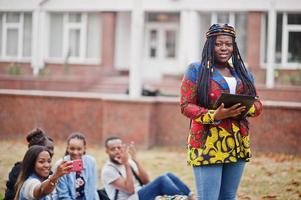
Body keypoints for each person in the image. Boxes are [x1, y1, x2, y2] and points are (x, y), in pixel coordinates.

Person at [180, 23, 263, 200]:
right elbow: (185, 106)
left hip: (237, 141)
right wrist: (215, 115)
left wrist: (244, 108)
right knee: (209, 197)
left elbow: (257, 105)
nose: (224, 48)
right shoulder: (196, 70)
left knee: (228, 196)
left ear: (234, 46)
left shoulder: (242, 72)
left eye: (228, 44)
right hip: (207, 141)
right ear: (210, 45)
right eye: (219, 44)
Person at [101, 136, 195, 200]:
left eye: (119, 147)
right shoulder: (108, 170)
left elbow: (146, 181)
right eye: (113, 149)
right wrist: (126, 164)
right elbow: (130, 190)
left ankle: (192, 197)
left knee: (169, 175)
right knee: (162, 180)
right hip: (131, 198)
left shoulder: (128, 162)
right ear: (107, 151)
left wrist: (135, 160)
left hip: (139, 194)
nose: (117, 151)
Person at [4, 128, 54, 200]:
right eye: (48, 149)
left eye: (52, 149)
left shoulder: (47, 172)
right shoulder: (21, 172)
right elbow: (39, 190)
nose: (51, 152)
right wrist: (55, 177)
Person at [55, 132, 99, 200]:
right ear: (67, 148)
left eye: (79, 149)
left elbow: (93, 189)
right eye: (72, 149)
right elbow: (63, 195)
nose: (75, 152)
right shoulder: (61, 164)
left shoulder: (91, 162)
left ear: (84, 149)